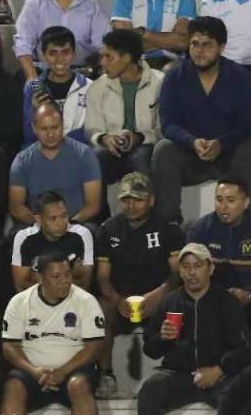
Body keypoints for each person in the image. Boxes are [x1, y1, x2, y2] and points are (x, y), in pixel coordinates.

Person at [151, 16, 251, 221]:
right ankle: (168, 226)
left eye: (207, 45)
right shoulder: (174, 77)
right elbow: (168, 124)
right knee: (163, 150)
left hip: (230, 155)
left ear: (221, 47)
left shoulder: (240, 77)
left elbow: (249, 124)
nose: (199, 51)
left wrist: (222, 143)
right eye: (194, 44)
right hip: (190, 153)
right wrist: (192, 141)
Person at [95, 172, 184, 401]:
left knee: (178, 302)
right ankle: (106, 376)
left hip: (158, 298)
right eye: (126, 199)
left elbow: (178, 273)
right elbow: (103, 277)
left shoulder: (168, 228)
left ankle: (176, 372)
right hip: (122, 300)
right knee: (100, 309)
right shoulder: (108, 229)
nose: (131, 205)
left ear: (151, 200)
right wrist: (117, 301)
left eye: (138, 199)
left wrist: (158, 295)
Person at [138, 243, 251, 415]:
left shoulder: (226, 301)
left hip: (218, 376)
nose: (192, 272)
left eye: (198, 266)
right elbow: (150, 350)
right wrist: (161, 338)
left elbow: (245, 348)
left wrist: (218, 370)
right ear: (180, 272)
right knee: (150, 390)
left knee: (241, 398)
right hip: (178, 375)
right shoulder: (169, 301)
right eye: (186, 267)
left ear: (210, 268)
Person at [186, 177, 251, 354]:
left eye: (230, 201)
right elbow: (191, 272)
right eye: (219, 199)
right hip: (214, 298)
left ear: (245, 203)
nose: (223, 207)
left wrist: (250, 294)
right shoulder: (200, 230)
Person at [0, 253, 105, 415]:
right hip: (32, 372)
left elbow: (95, 347)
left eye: (67, 274)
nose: (64, 281)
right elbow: (9, 347)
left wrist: (63, 371)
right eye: (56, 276)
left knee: (79, 385)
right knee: (14, 387)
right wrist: (34, 371)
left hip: (74, 371)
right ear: (39, 277)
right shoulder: (19, 302)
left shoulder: (86, 301)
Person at [14, 0, 109, 79]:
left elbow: (103, 45)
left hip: (82, 72)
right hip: (43, 72)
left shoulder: (91, 5)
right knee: (21, 80)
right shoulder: (34, 4)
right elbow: (22, 43)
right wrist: (32, 77)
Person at [84, 28, 163, 182]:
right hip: (112, 149)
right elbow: (92, 129)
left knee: (141, 156)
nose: (102, 62)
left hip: (147, 146)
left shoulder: (160, 83)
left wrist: (139, 137)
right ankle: (99, 207)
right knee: (96, 158)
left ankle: (150, 205)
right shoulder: (98, 87)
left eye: (109, 57)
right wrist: (104, 138)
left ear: (127, 58)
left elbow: (163, 130)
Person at [9, 102, 102, 226]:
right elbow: (16, 206)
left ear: (63, 125)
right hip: (37, 227)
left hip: (77, 225)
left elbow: (93, 205)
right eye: (44, 129)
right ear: (34, 127)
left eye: (55, 127)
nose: (50, 134)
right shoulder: (22, 161)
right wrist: (43, 226)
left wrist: (67, 225)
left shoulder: (84, 155)